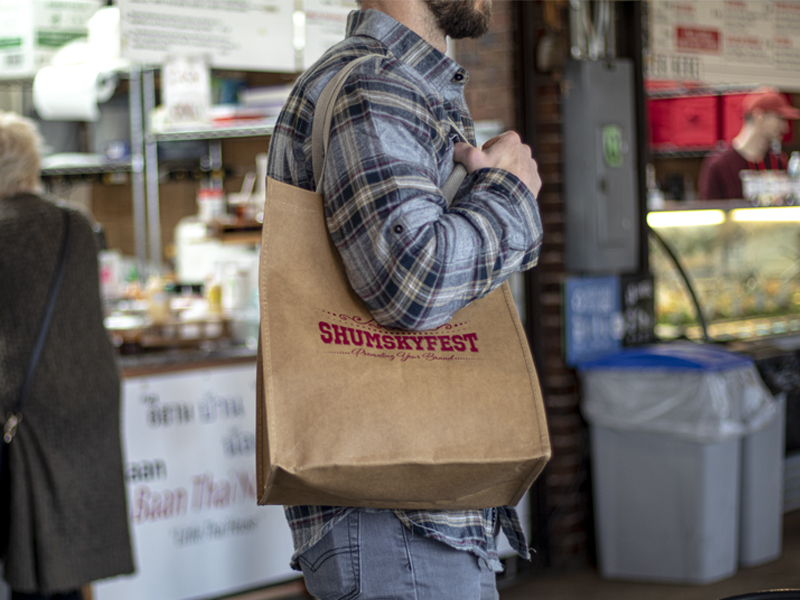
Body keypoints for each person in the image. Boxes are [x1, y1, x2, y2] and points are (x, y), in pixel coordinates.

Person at [266, 0, 543, 597]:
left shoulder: (392, 80)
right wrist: (510, 193)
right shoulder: (377, 82)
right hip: (400, 524)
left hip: (403, 520)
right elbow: (414, 283)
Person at [0, 111, 134, 599]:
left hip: (25, 413)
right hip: (84, 406)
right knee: (67, 558)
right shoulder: (74, 224)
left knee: (29, 554)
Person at [698, 87, 800, 200]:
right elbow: (710, 213)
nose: (785, 128)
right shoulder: (719, 166)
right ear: (759, 116)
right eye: (780, 119)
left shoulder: (778, 163)